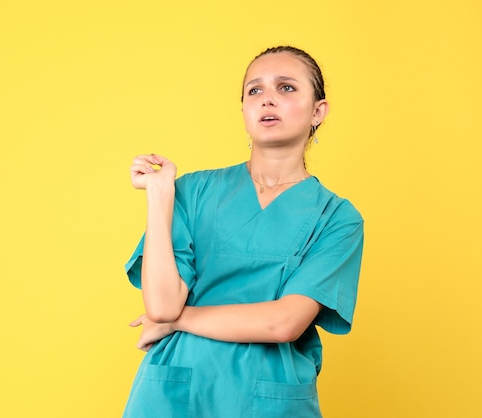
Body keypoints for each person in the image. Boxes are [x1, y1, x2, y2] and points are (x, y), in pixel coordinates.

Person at [123, 45, 364, 418]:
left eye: (286, 88)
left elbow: (283, 322)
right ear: (243, 110)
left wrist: (177, 321)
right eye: (255, 90)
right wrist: (159, 194)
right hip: (174, 391)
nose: (268, 99)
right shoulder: (191, 192)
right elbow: (161, 304)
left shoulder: (336, 218)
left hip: (270, 397)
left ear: (319, 111)